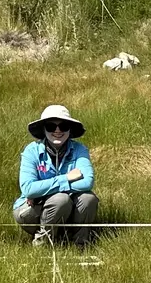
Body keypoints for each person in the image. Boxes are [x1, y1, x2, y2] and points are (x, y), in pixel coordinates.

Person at [15, 104, 98, 245]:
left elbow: (87, 182)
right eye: (51, 126)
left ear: (70, 129)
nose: (58, 130)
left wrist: (41, 192)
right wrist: (66, 178)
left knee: (88, 198)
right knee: (60, 200)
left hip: (56, 204)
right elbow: (28, 189)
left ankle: (80, 245)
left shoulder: (80, 150)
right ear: (44, 129)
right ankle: (43, 243)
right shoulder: (31, 151)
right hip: (31, 211)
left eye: (63, 126)